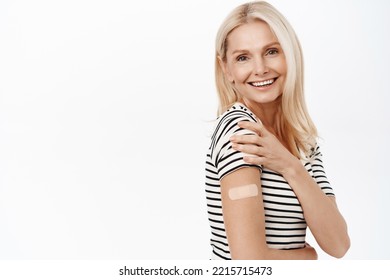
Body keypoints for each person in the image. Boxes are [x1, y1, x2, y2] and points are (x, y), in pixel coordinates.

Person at [205, 1, 350, 260]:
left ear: (290, 54)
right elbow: (249, 263)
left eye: (271, 51)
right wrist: (309, 259)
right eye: (243, 57)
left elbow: (338, 244)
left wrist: (290, 166)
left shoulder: (302, 140)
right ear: (226, 68)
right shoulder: (241, 132)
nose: (260, 68)